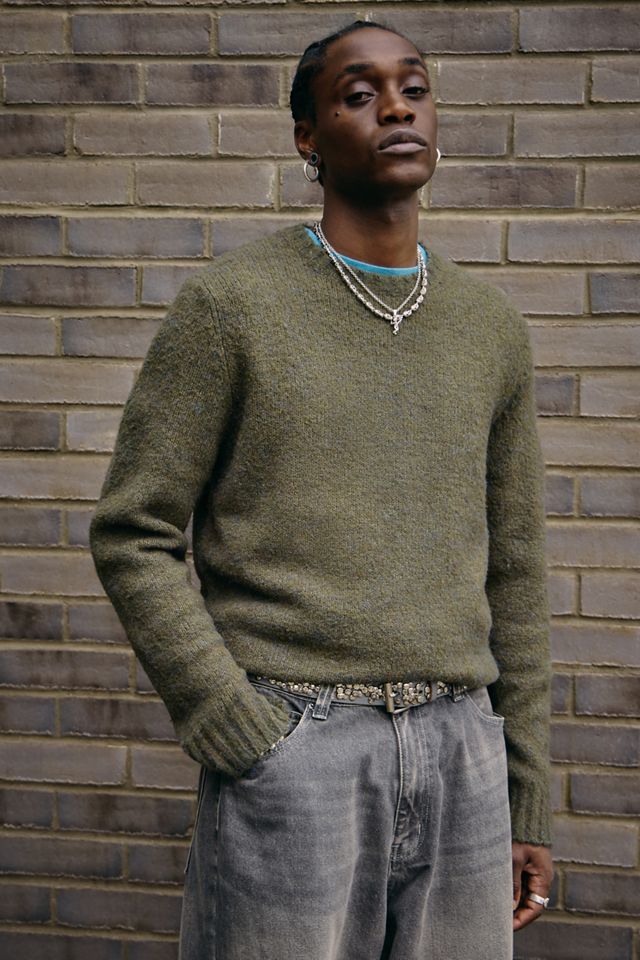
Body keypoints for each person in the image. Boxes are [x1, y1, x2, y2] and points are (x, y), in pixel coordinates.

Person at [89, 19, 554, 960]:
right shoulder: (233, 308)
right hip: (299, 752)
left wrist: (524, 790)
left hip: (464, 755)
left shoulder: (490, 328)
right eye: (359, 94)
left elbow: (516, 569)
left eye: (414, 89)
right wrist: (233, 721)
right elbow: (133, 530)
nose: (396, 109)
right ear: (308, 136)